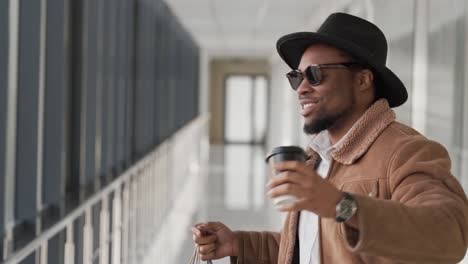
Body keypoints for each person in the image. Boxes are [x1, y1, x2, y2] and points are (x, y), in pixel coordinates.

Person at [192, 12, 468, 263]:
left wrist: (342, 206)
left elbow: (449, 234)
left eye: (315, 75)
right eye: (296, 77)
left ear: (362, 81)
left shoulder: (404, 151)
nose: (300, 88)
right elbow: (309, 248)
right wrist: (238, 244)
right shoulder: (319, 157)